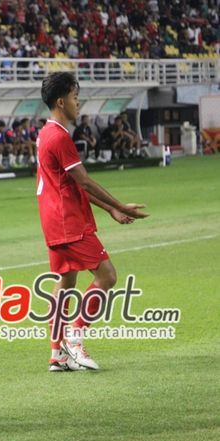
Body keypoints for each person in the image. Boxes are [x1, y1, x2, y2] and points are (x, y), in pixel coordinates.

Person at [36, 72, 148, 372]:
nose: (78, 102)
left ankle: (57, 353)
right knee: (107, 276)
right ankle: (75, 336)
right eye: (75, 97)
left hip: (54, 220)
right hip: (67, 221)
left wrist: (109, 210)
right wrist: (120, 205)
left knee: (65, 283)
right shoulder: (59, 137)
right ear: (61, 101)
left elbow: (71, 184)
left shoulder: (46, 133)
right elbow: (83, 181)